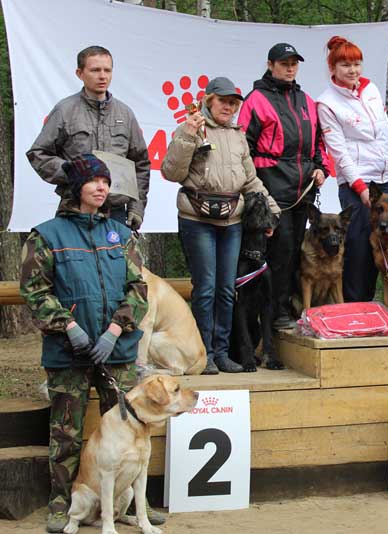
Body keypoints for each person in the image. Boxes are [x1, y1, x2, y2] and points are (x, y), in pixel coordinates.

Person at [19, 154, 151, 532]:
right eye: (93, 181)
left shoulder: (122, 235)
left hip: (118, 352)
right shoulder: (46, 235)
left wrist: (115, 330)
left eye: (105, 182)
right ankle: (63, 504)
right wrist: (69, 327)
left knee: (132, 429)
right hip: (67, 353)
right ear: (75, 189)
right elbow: (35, 290)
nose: (101, 187)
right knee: (66, 432)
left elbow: (138, 289)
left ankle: (135, 504)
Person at [162, 77, 280, 375]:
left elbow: (251, 180)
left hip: (232, 220)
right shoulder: (191, 127)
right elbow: (171, 172)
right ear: (208, 100)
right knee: (206, 289)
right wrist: (187, 135)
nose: (228, 106)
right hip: (197, 219)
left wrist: (273, 211)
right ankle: (203, 354)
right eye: (223, 101)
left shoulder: (239, 136)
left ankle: (222, 352)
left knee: (227, 290)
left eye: (233, 102)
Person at [237, 43, 327, 329]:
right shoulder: (256, 99)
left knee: (297, 250)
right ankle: (275, 314)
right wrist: (256, 190)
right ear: (270, 64)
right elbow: (243, 149)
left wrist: (321, 168)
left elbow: (318, 144)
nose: (290, 68)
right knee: (280, 251)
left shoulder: (306, 100)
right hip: (273, 187)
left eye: (294, 63)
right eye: (284, 63)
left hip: (303, 189)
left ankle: (288, 306)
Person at [317, 35, 388, 303]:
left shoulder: (371, 90)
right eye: (345, 65)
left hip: (386, 178)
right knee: (358, 247)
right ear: (333, 68)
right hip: (356, 183)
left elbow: (386, 131)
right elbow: (339, 152)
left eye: (357, 64)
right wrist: (361, 188)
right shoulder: (327, 102)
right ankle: (356, 304)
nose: (353, 70)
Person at [27, 45, 151, 230]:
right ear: (80, 73)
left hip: (115, 210)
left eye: (107, 70)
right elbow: (38, 153)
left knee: (115, 260)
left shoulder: (125, 114)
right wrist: (73, 172)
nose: (102, 76)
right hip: (74, 208)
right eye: (95, 70)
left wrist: (137, 207)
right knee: (72, 259)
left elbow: (141, 163)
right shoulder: (65, 110)